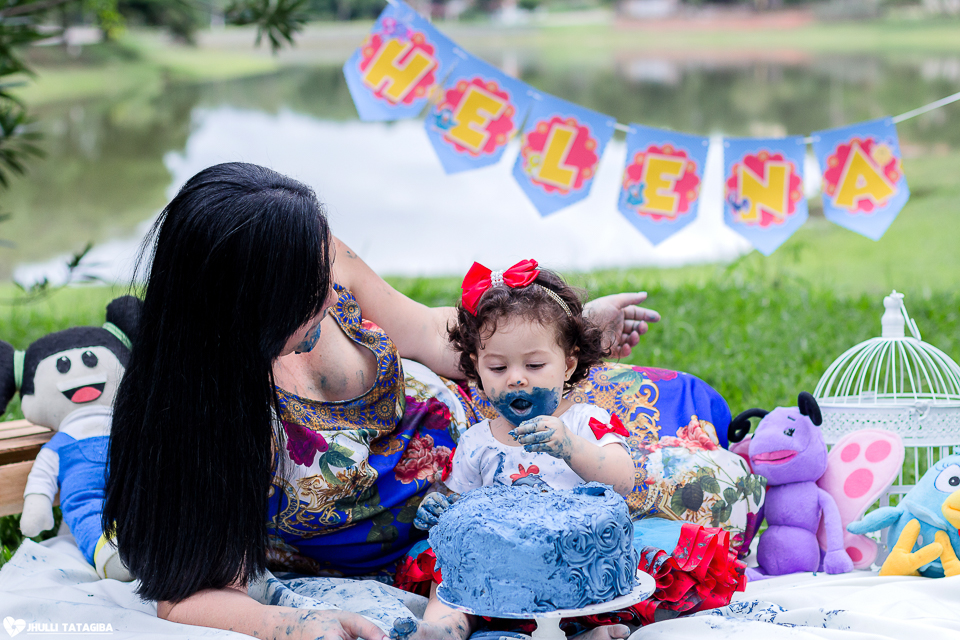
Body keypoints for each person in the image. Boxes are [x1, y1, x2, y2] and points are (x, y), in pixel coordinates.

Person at [103, 163, 659, 640]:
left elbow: (429, 331)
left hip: (496, 442)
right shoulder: (194, 419)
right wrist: (289, 625)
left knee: (700, 486)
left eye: (324, 267)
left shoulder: (313, 253)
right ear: (250, 310)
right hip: (424, 549)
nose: (329, 288)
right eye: (309, 290)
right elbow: (185, 595)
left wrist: (569, 332)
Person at [405, 259, 637, 640]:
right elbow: (461, 503)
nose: (516, 378)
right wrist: (442, 508)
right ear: (476, 368)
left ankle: (582, 633)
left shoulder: (585, 422)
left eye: (534, 364)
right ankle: (443, 629)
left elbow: (624, 479)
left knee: (599, 581)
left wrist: (570, 447)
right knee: (450, 567)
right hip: (497, 576)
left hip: (572, 566)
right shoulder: (478, 441)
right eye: (497, 368)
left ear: (568, 365)